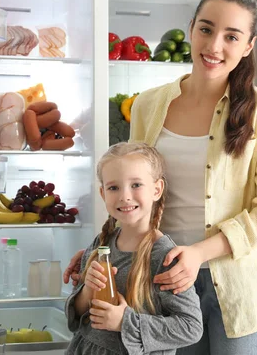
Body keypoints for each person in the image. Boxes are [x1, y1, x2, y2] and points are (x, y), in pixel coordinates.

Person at [64, 0, 257, 355]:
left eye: (231, 36)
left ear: (249, 45)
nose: (214, 46)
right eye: (206, 29)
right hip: (162, 280)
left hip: (242, 282)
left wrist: (198, 254)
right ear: (191, 29)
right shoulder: (148, 104)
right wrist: (100, 248)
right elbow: (133, 189)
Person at [65, 142, 203, 354]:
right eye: (113, 188)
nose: (124, 196)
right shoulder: (100, 244)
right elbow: (77, 316)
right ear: (103, 194)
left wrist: (124, 322)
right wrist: (87, 291)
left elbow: (190, 328)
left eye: (136, 185)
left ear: (156, 190)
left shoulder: (164, 257)